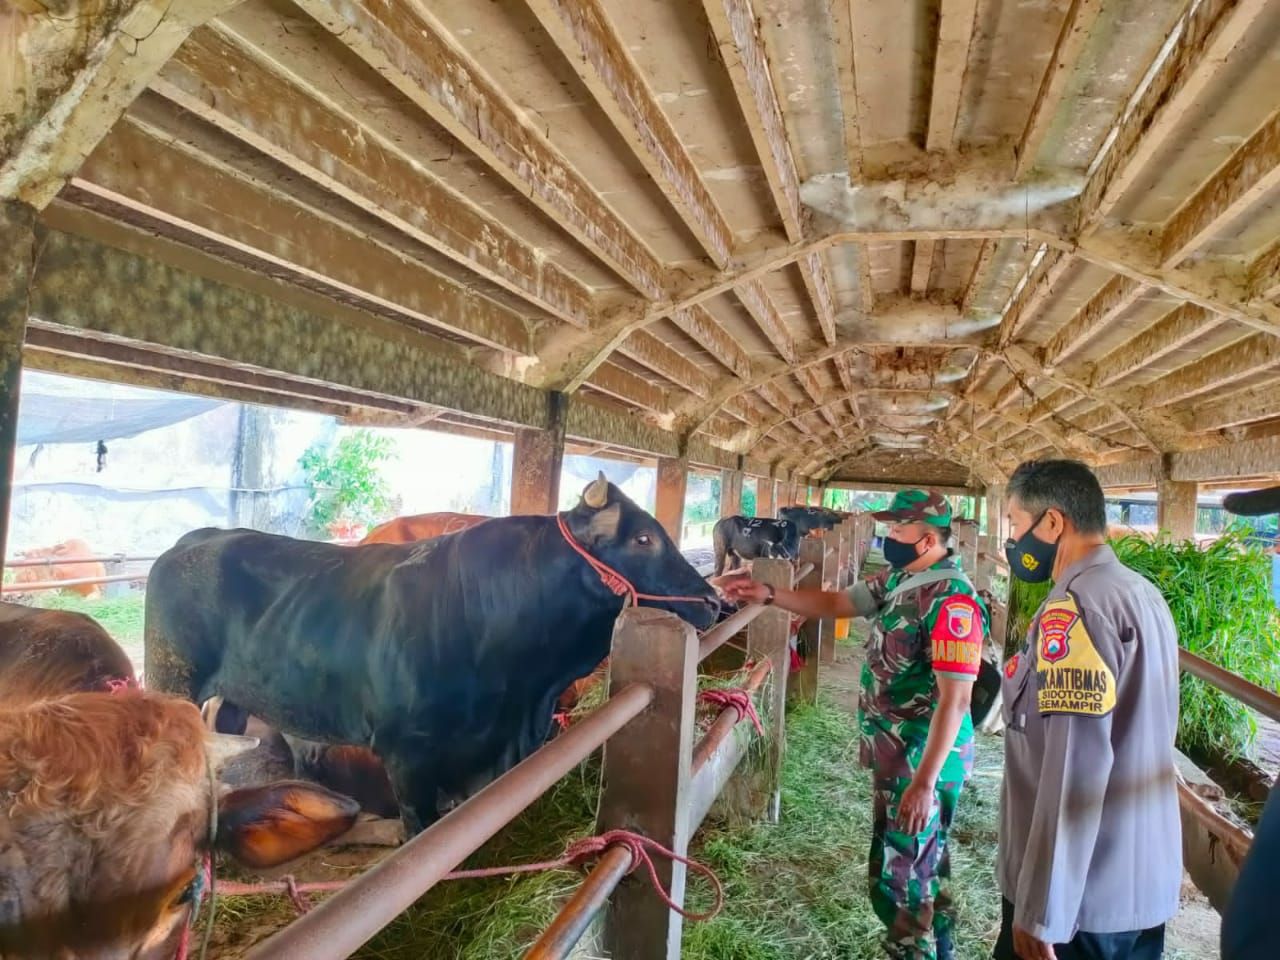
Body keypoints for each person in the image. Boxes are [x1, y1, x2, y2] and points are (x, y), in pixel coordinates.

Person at [723, 488, 989, 960]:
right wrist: (771, 594)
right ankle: (938, 948)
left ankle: (915, 950)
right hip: (897, 752)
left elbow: (956, 699)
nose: (891, 536)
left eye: (899, 529)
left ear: (929, 540)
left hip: (921, 760)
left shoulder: (953, 602)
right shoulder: (903, 578)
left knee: (902, 879)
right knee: (922, 864)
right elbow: (840, 603)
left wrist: (924, 784)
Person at [995, 459, 1181, 960]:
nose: (1013, 539)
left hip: (1080, 904)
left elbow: (1073, 766)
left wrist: (1042, 910)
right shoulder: (1140, 593)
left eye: (1016, 523)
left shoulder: (1075, 608)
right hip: (1137, 888)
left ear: (1053, 522)